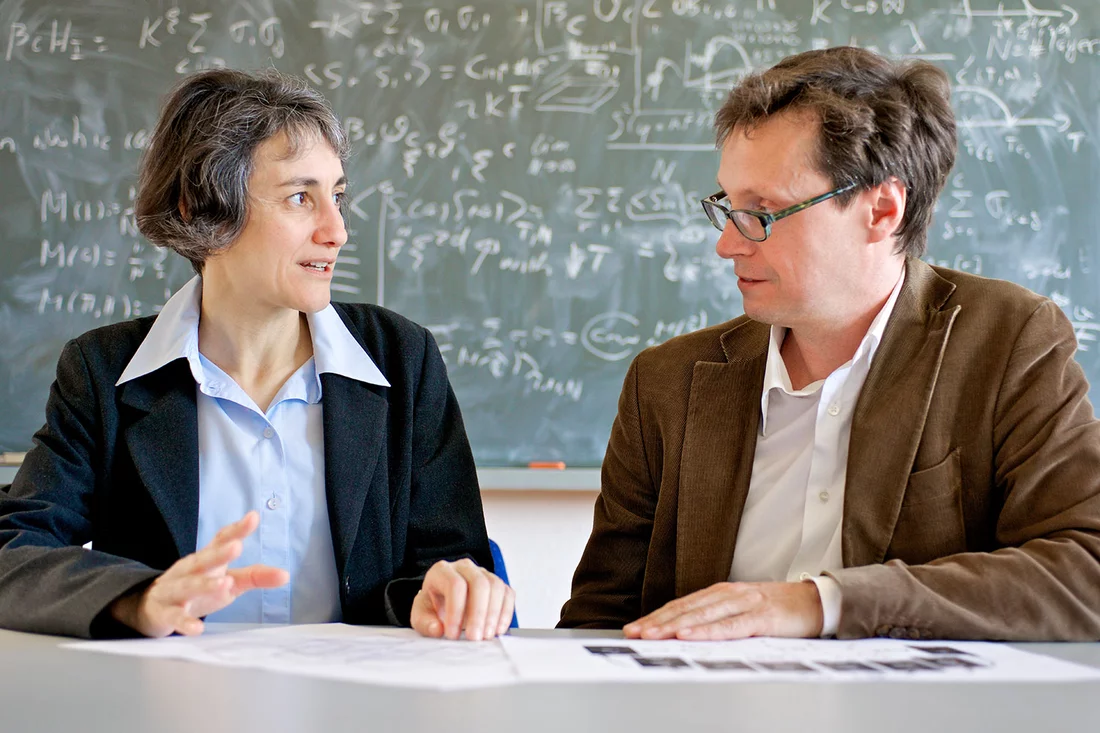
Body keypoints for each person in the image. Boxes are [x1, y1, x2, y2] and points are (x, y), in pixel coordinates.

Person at [559, 46, 1100, 641]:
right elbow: (595, 624)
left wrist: (822, 604)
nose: (728, 246)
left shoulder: (1008, 343)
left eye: (762, 212)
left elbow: (1084, 572)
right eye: (728, 207)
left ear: (882, 209)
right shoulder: (665, 383)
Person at [0, 68, 514, 641]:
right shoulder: (102, 372)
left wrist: (440, 597)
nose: (337, 230)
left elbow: (449, 565)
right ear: (200, 209)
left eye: (338, 197)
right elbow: (13, 554)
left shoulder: (402, 359)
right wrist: (136, 599)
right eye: (301, 197)